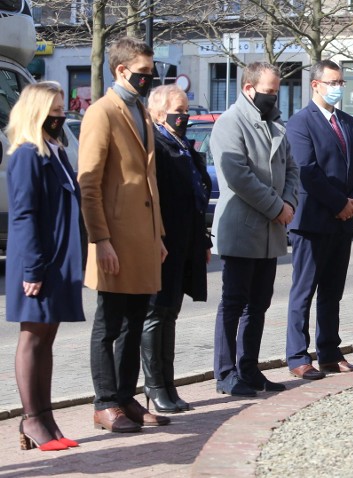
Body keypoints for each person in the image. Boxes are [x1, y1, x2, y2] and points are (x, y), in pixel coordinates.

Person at [78, 37, 170, 433]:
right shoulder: (102, 113)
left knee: (137, 319)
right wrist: (100, 240)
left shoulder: (141, 112)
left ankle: (124, 395)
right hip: (114, 239)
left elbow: (148, 180)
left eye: (152, 73)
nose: (150, 79)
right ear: (120, 70)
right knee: (110, 321)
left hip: (143, 238)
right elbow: (90, 184)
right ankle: (104, 403)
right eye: (144, 73)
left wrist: (159, 234)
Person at [211, 62, 299, 396]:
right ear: (250, 89)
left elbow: (292, 168)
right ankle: (225, 372)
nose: (275, 97)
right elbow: (238, 176)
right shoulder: (229, 123)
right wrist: (277, 207)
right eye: (270, 91)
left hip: (270, 230)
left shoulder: (276, 124)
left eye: (276, 91)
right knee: (233, 302)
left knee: (259, 303)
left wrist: (288, 203)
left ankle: (249, 368)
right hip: (243, 227)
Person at [6, 81, 84, 451]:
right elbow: (23, 215)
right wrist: (32, 270)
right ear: (36, 114)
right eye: (53, 113)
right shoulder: (26, 154)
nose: (60, 118)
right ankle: (32, 419)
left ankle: (46, 418)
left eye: (61, 111)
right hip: (37, 260)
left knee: (46, 339)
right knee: (32, 337)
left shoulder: (55, 151)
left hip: (56, 258)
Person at [285, 60, 353, 380]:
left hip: (342, 220)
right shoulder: (300, 123)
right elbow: (307, 171)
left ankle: (330, 352)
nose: (338, 88)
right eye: (332, 82)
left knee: (332, 291)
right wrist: (338, 203)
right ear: (315, 85)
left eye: (341, 83)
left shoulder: (347, 122)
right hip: (312, 220)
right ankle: (297, 356)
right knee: (303, 291)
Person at [141, 84, 213, 412]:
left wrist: (204, 242)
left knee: (171, 312)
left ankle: (168, 385)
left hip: (186, 241)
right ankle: (154, 386)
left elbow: (197, 195)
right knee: (156, 313)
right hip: (163, 243)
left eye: (186, 110)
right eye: (178, 110)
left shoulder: (182, 145)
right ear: (158, 112)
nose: (184, 116)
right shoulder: (155, 143)